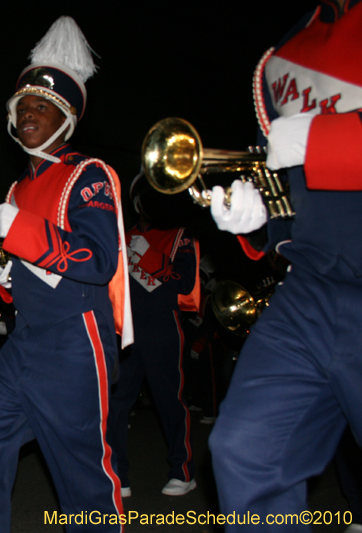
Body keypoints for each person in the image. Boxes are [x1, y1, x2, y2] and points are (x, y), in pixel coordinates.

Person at [0, 16, 132, 532]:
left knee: (82, 478)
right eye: (23, 106)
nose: (28, 112)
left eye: (42, 105)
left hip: (75, 339)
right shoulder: (17, 189)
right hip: (27, 338)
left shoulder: (88, 174)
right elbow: (36, 269)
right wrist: (5, 274)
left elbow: (97, 261)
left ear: (67, 117)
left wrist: (23, 232)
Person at [206, 1, 362, 529]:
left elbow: (307, 148)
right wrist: (255, 217)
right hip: (310, 287)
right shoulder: (285, 53)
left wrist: (323, 140)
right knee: (244, 450)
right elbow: (286, 184)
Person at [106, 176, 199, 498]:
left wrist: (148, 256)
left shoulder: (179, 236)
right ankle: (118, 475)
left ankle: (183, 471)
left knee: (169, 401)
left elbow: (185, 283)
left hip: (162, 328)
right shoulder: (123, 235)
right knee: (116, 404)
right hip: (127, 331)